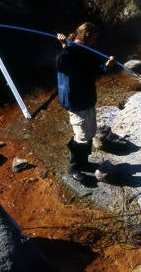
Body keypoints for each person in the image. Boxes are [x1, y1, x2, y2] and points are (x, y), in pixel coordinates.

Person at [56, 22, 116, 183]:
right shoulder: (69, 50)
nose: (95, 42)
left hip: (87, 97)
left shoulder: (87, 51)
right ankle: (74, 166)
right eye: (94, 38)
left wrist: (107, 66)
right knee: (82, 135)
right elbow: (60, 65)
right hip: (75, 99)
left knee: (90, 131)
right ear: (87, 36)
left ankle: (84, 162)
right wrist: (64, 47)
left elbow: (95, 70)